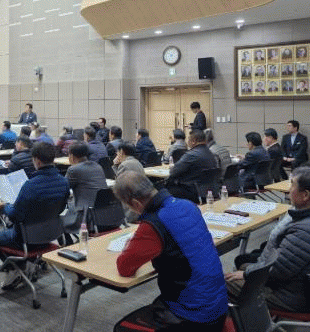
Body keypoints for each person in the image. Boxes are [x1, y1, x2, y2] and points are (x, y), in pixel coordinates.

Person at [113, 172, 228, 331]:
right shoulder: (188, 205)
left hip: (195, 315)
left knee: (121, 329)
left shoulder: (153, 224)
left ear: (136, 203)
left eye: (129, 207)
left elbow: (124, 267)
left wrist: (130, 245)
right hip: (219, 305)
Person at [226, 167, 310, 313]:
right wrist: (247, 271)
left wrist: (245, 275)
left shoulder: (306, 230)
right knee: (244, 266)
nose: (288, 190)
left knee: (221, 282)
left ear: (305, 195)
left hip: (290, 296)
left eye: (292, 185)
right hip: (305, 288)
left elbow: (276, 271)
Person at [0, 142, 69, 248]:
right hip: (52, 234)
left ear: (37, 161)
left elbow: (15, 216)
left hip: (25, 238)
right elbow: (61, 209)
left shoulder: (31, 185)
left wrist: (5, 206)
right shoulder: (64, 182)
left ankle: (12, 259)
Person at [62, 142, 107, 234]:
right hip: (103, 213)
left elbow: (63, 189)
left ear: (72, 156)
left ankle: (69, 242)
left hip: (85, 216)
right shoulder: (98, 166)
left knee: (56, 223)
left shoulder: (73, 170)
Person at [167, 130, 218, 203]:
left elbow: (173, 172)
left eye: (188, 139)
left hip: (193, 192)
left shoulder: (191, 155)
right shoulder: (211, 154)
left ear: (193, 141)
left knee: (163, 190)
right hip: (210, 192)